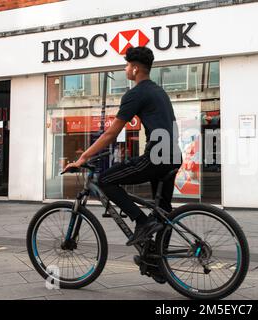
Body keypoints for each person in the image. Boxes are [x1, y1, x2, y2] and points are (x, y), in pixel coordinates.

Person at [63, 46, 182, 246]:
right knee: (163, 211)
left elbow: (111, 133)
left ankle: (141, 222)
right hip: (173, 155)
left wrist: (83, 157)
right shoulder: (159, 92)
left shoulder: (136, 94)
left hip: (156, 155)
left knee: (105, 179)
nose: (125, 69)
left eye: (127, 65)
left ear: (135, 69)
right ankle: (158, 260)